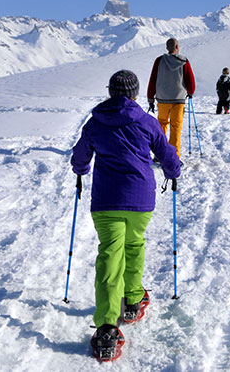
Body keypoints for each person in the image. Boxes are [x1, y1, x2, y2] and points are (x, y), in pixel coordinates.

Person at [71, 70, 181, 361]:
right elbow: (166, 152)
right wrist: (173, 172)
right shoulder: (146, 121)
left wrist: (80, 172)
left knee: (110, 254)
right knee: (134, 246)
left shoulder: (95, 123)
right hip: (140, 199)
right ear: (134, 93)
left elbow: (80, 156)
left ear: (110, 92)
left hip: (106, 201)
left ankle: (107, 324)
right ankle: (132, 299)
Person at [147, 37, 196, 157]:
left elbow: (153, 79)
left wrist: (150, 97)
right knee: (176, 127)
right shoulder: (184, 61)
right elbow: (190, 81)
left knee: (162, 125)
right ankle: (174, 156)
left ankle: (160, 155)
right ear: (177, 47)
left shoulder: (159, 61)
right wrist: (190, 92)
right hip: (178, 99)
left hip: (162, 99)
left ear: (166, 47)